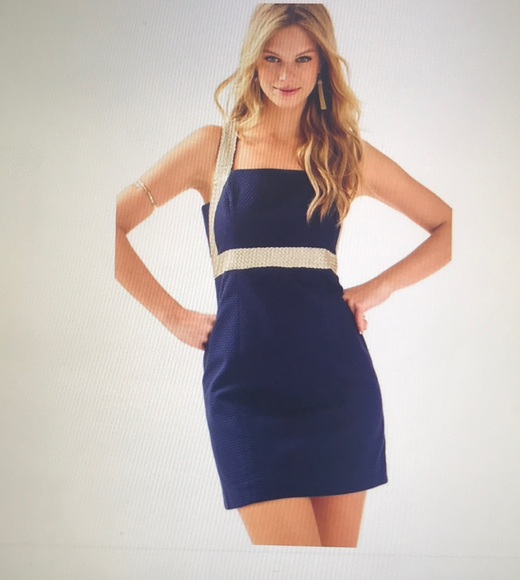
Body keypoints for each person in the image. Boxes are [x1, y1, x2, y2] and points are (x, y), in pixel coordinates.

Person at [115, 3, 452, 548]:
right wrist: (172, 315)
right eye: (272, 58)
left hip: (337, 386)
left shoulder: (344, 154)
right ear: (253, 61)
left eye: (302, 59)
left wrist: (378, 288)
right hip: (244, 391)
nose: (286, 75)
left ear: (323, 65)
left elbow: (447, 226)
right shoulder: (211, 148)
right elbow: (110, 226)